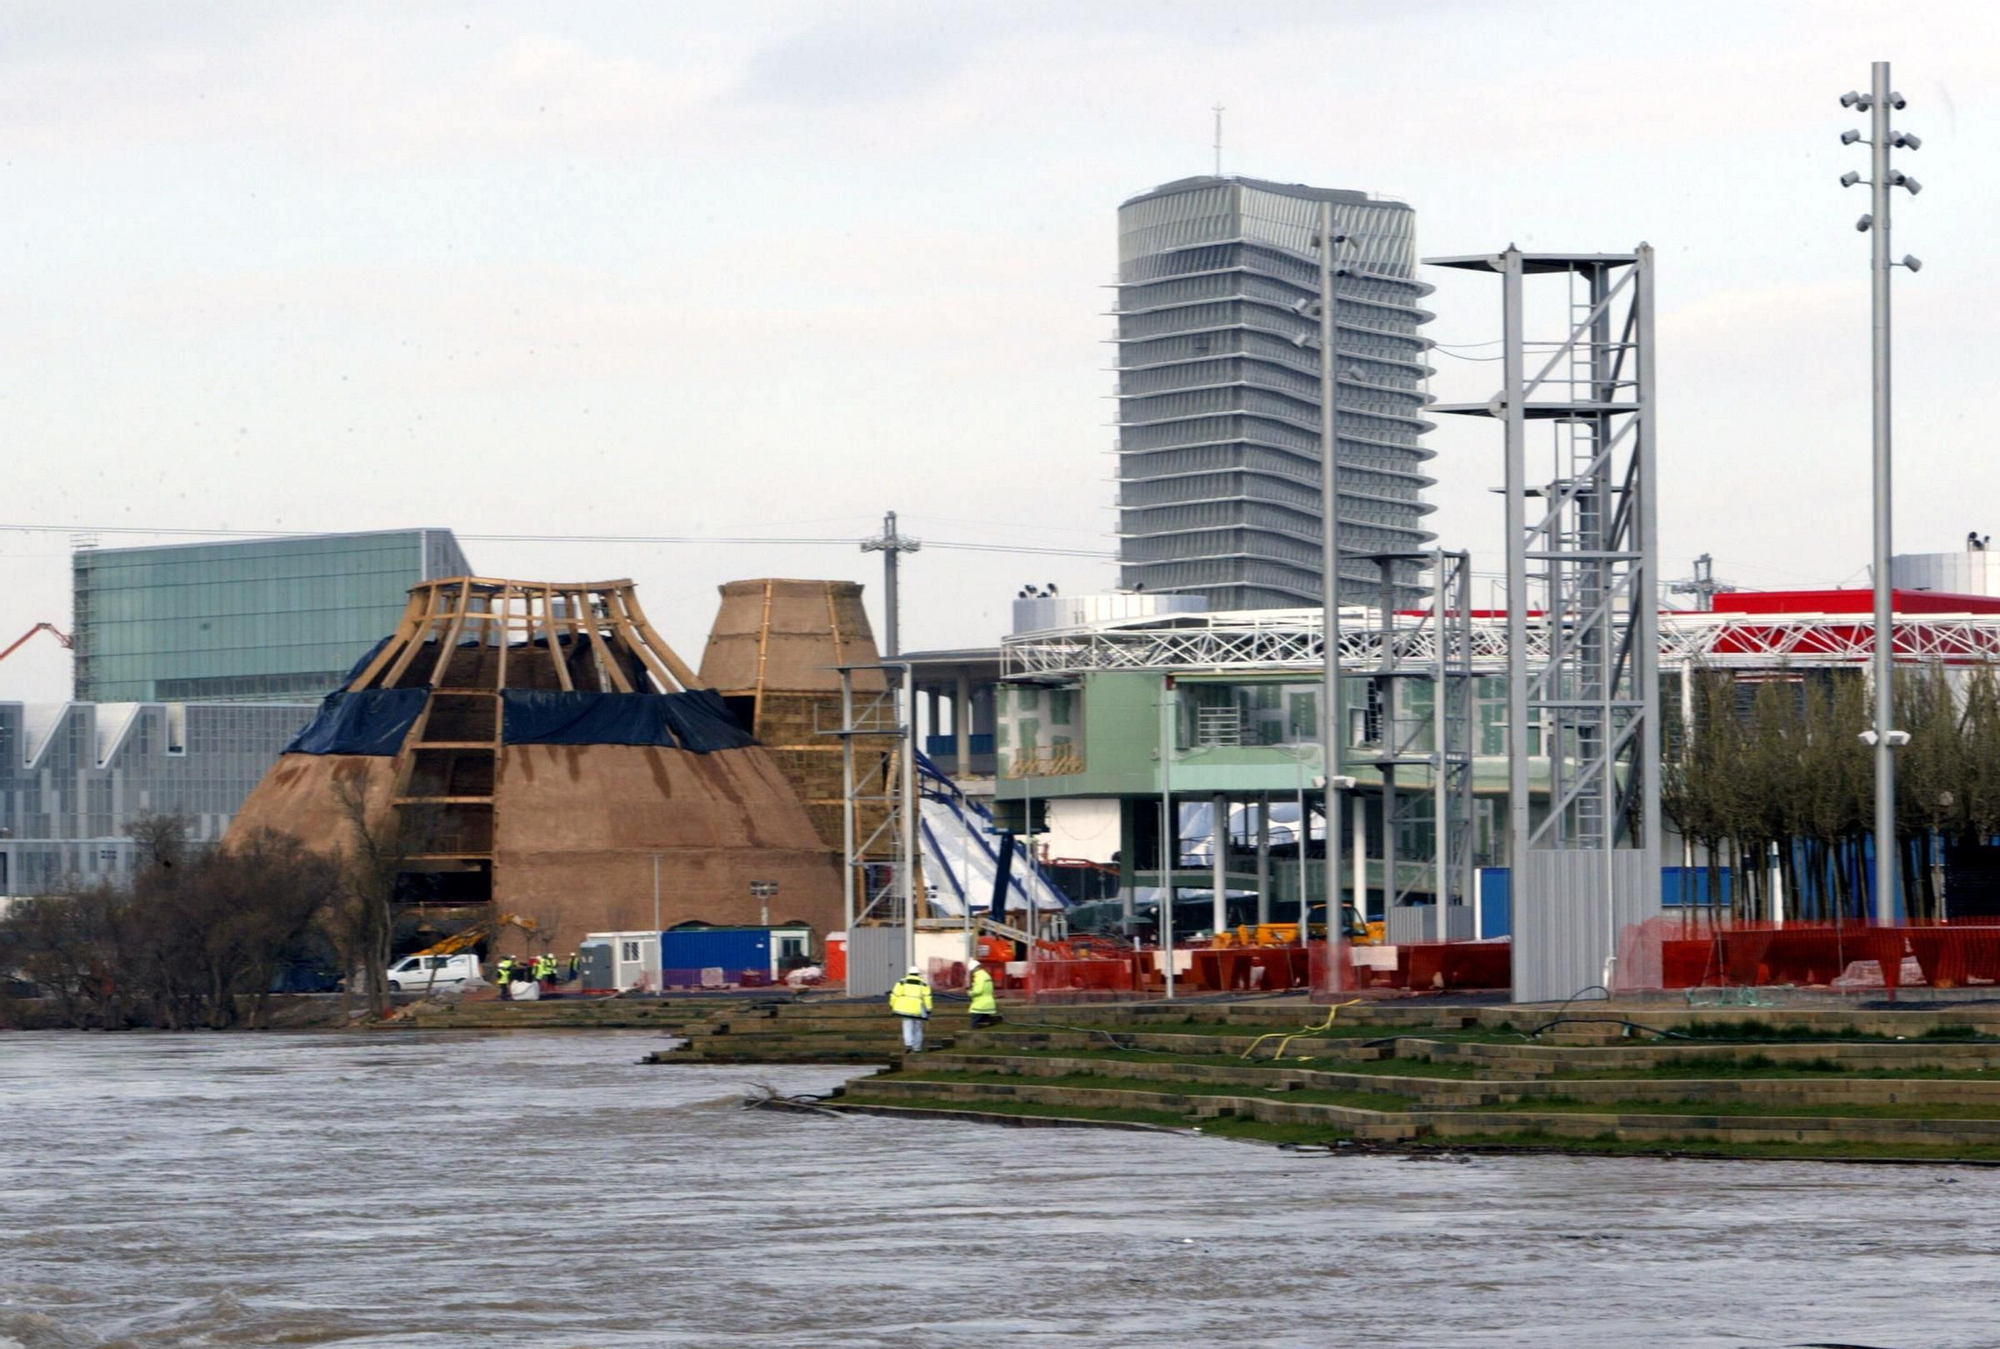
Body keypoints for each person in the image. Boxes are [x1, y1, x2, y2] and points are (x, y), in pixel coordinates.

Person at [887, 964, 933, 1054]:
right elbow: (927, 998)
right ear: (918, 974)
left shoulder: (902, 982)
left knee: (907, 1027)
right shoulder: (923, 984)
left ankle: (908, 1044)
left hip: (905, 1008)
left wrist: (892, 1005)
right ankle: (917, 1048)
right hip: (918, 1009)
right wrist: (928, 1009)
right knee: (918, 1028)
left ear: (909, 973)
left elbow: (894, 995)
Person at [966, 961, 1000, 1029]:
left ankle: (973, 1037)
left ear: (974, 969)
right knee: (985, 1025)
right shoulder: (986, 975)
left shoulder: (979, 977)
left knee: (974, 1024)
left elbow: (978, 990)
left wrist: (970, 993)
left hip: (980, 1005)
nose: (972, 972)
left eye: (972, 971)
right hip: (988, 1004)